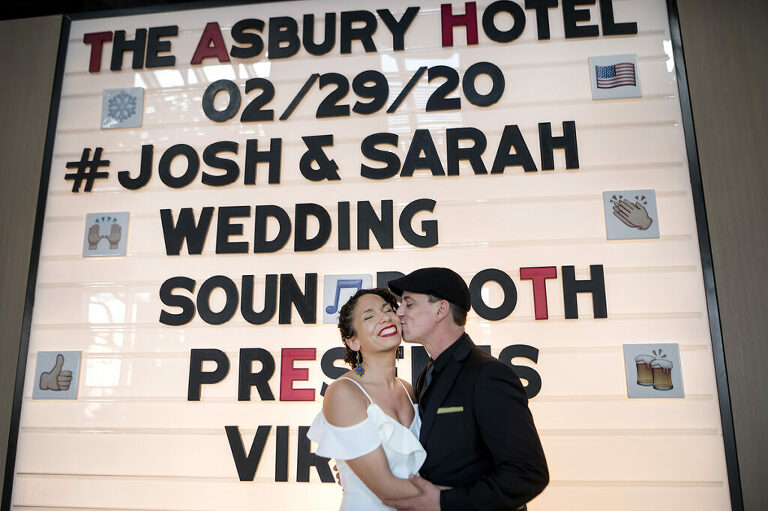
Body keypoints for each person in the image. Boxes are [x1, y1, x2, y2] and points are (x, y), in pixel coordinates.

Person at [382, 267, 549, 511]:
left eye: (409, 304)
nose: (399, 313)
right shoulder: (425, 376)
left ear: (441, 309)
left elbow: (528, 474)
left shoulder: (488, 376)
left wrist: (445, 502)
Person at [307, 288, 426, 510]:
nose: (384, 317)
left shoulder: (409, 391)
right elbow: (385, 487)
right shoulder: (343, 392)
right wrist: (476, 496)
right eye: (369, 316)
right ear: (353, 342)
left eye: (388, 310)